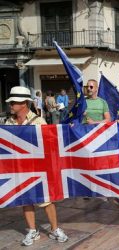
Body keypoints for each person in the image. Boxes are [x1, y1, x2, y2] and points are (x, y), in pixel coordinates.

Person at [5, 86, 68, 246]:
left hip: (38, 168)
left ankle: (55, 229)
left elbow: (50, 144)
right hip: (19, 168)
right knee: (25, 199)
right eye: (11, 102)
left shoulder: (38, 121)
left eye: (14, 102)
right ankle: (32, 230)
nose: (11, 105)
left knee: (46, 199)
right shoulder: (8, 122)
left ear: (24, 103)